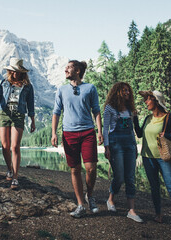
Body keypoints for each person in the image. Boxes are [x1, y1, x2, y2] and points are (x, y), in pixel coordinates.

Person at [134, 90, 171, 231]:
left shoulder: (168, 118)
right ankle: (158, 214)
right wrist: (135, 118)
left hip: (164, 158)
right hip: (147, 158)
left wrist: (168, 135)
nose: (145, 102)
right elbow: (140, 134)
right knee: (154, 188)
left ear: (156, 101)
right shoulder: (148, 118)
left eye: (148, 99)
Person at [51, 60, 103, 218]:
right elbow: (56, 112)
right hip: (69, 134)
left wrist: (100, 131)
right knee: (74, 169)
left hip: (88, 132)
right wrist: (54, 132)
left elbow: (96, 110)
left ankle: (90, 195)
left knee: (91, 169)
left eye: (68, 67)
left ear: (78, 71)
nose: (65, 69)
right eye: (65, 67)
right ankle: (80, 204)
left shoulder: (90, 88)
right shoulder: (62, 90)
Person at [0, 58, 35, 189]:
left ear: (21, 72)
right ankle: (9, 169)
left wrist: (32, 120)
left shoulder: (27, 86)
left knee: (15, 147)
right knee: (5, 146)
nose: (15, 73)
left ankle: (15, 177)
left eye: (17, 71)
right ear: (10, 71)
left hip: (18, 115)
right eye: (13, 71)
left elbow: (30, 104)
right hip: (3, 113)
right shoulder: (4, 83)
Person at [103, 82, 143, 223]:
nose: (127, 93)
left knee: (130, 178)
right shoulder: (110, 108)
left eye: (128, 90)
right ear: (117, 92)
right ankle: (111, 199)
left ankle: (131, 210)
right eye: (124, 90)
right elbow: (105, 129)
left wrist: (135, 146)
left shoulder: (131, 110)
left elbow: (135, 131)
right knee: (119, 177)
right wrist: (106, 147)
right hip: (115, 145)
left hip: (130, 145)